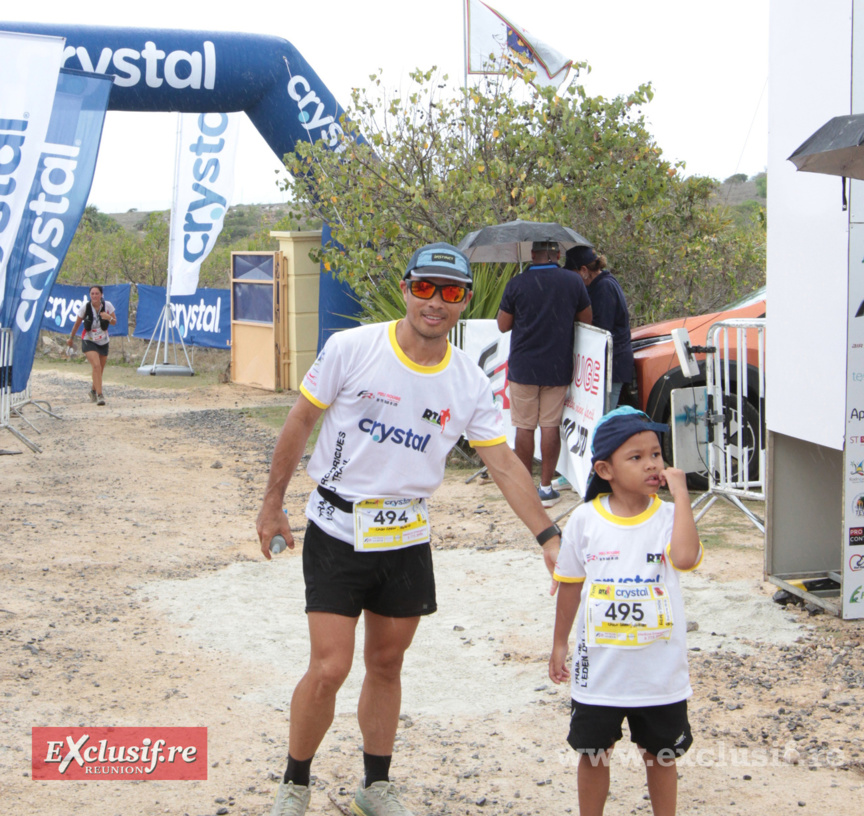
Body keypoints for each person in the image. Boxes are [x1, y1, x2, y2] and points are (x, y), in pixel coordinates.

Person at [256, 242, 562, 816]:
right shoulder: (352, 347)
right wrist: (273, 504)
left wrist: (549, 538)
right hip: (337, 526)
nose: (435, 302)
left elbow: (503, 464)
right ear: (406, 288)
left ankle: (375, 786)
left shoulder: (468, 381)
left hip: (405, 537)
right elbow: (301, 419)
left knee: (387, 664)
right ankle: (295, 784)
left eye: (450, 293)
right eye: (425, 288)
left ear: (465, 301)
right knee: (330, 666)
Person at [548, 406, 702, 816]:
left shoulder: (670, 517)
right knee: (594, 753)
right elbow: (570, 585)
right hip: (601, 670)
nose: (652, 464)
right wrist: (559, 643)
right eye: (636, 457)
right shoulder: (584, 520)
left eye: (656, 453)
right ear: (605, 469)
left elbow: (685, 558)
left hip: (659, 672)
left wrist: (682, 495)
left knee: (661, 754)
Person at [496, 240, 593, 508]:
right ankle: (546, 487)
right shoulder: (572, 282)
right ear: (558, 254)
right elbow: (587, 320)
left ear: (533, 254)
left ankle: (525, 486)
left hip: (524, 366)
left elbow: (503, 325)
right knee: (551, 425)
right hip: (558, 365)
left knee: (524, 427)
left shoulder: (517, 283)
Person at [564, 247, 634, 411]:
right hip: (606, 365)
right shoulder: (601, 283)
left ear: (583, 270)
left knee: (602, 417)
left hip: (612, 366)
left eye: (573, 273)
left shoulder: (604, 287)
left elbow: (600, 329)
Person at [66, 285, 116, 406]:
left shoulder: (108, 305)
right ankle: (100, 395)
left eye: (97, 293)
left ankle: (93, 391)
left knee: (100, 369)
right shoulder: (85, 308)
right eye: (92, 294)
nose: (94, 296)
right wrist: (71, 338)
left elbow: (114, 322)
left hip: (103, 340)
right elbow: (77, 324)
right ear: (90, 295)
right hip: (89, 339)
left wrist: (108, 317)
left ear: (101, 295)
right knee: (96, 366)